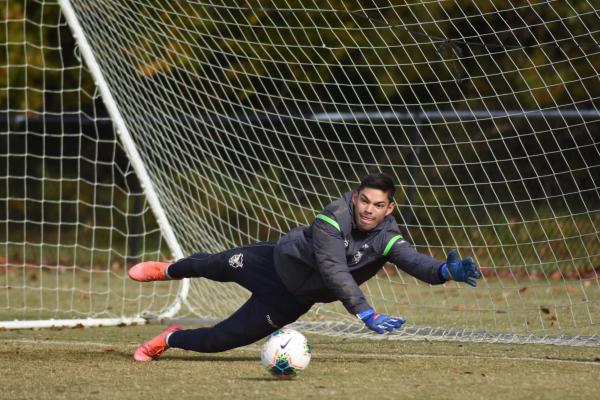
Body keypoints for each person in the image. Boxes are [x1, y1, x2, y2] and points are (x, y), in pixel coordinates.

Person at [128, 173, 481, 361]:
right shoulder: (333, 217)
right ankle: (169, 270)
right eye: (364, 200)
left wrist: (443, 273)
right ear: (355, 197)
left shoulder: (386, 237)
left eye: (378, 205)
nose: (368, 210)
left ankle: (168, 339)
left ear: (389, 209)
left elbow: (412, 260)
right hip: (272, 263)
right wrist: (364, 312)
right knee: (214, 264)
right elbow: (333, 268)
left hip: (289, 300)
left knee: (221, 340)